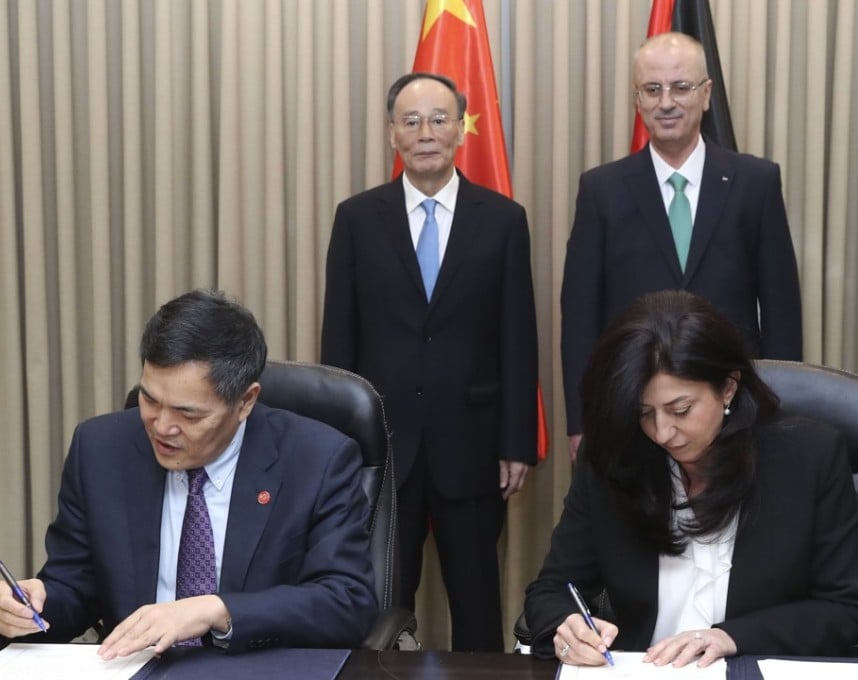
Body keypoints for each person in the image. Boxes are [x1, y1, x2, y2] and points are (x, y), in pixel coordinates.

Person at [0, 290, 378, 656]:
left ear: (246, 401)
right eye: (149, 399)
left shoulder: (318, 459)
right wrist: (36, 606)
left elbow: (346, 601)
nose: (162, 427)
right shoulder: (100, 449)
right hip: (138, 668)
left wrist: (215, 610)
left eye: (188, 413)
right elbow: (75, 587)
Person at [524, 290, 858, 667]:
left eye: (681, 410)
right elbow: (552, 591)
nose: (662, 432)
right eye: (644, 413)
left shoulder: (808, 457)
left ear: (728, 387)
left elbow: (846, 609)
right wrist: (567, 628)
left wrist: (731, 637)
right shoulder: (612, 459)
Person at [320, 72, 538, 651]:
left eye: (439, 119)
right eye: (411, 121)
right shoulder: (357, 219)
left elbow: (518, 339)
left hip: (472, 443)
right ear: (392, 132)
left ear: (461, 129)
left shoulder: (503, 219)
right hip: (382, 448)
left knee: (477, 604)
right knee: (381, 605)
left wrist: (516, 441)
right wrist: (338, 445)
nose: (425, 133)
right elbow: (338, 341)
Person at [561, 32, 803, 461]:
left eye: (680, 87)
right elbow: (580, 315)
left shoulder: (755, 182)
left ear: (706, 94)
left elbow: (781, 307)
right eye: (652, 89)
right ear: (638, 100)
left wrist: (778, 409)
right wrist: (583, 422)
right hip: (631, 410)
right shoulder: (601, 189)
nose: (666, 102)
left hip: (735, 407)